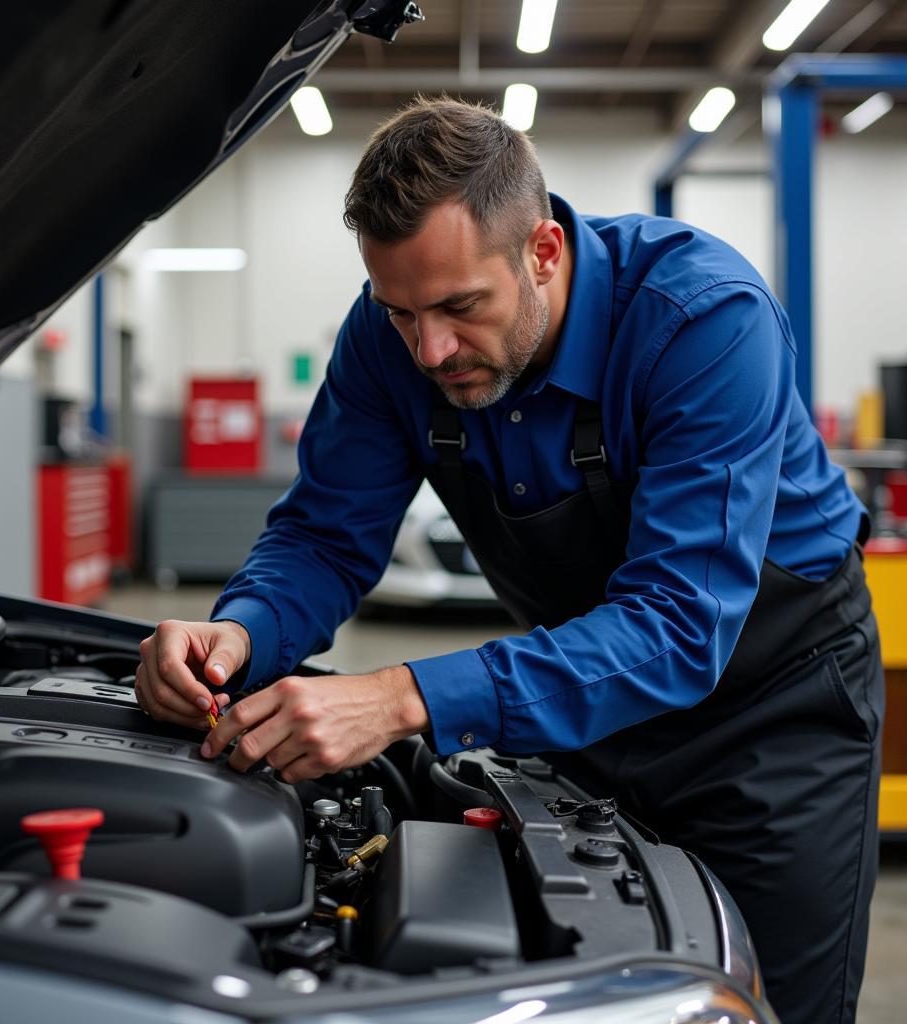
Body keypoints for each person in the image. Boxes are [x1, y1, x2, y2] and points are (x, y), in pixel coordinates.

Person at [135, 97, 882, 1024]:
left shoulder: (702, 320)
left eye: (459, 308)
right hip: (589, 690)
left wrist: (404, 696)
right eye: (402, 313)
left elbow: (681, 625)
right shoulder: (386, 340)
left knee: (762, 1002)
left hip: (770, 706)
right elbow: (325, 536)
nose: (431, 349)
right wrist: (238, 632)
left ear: (543, 251)